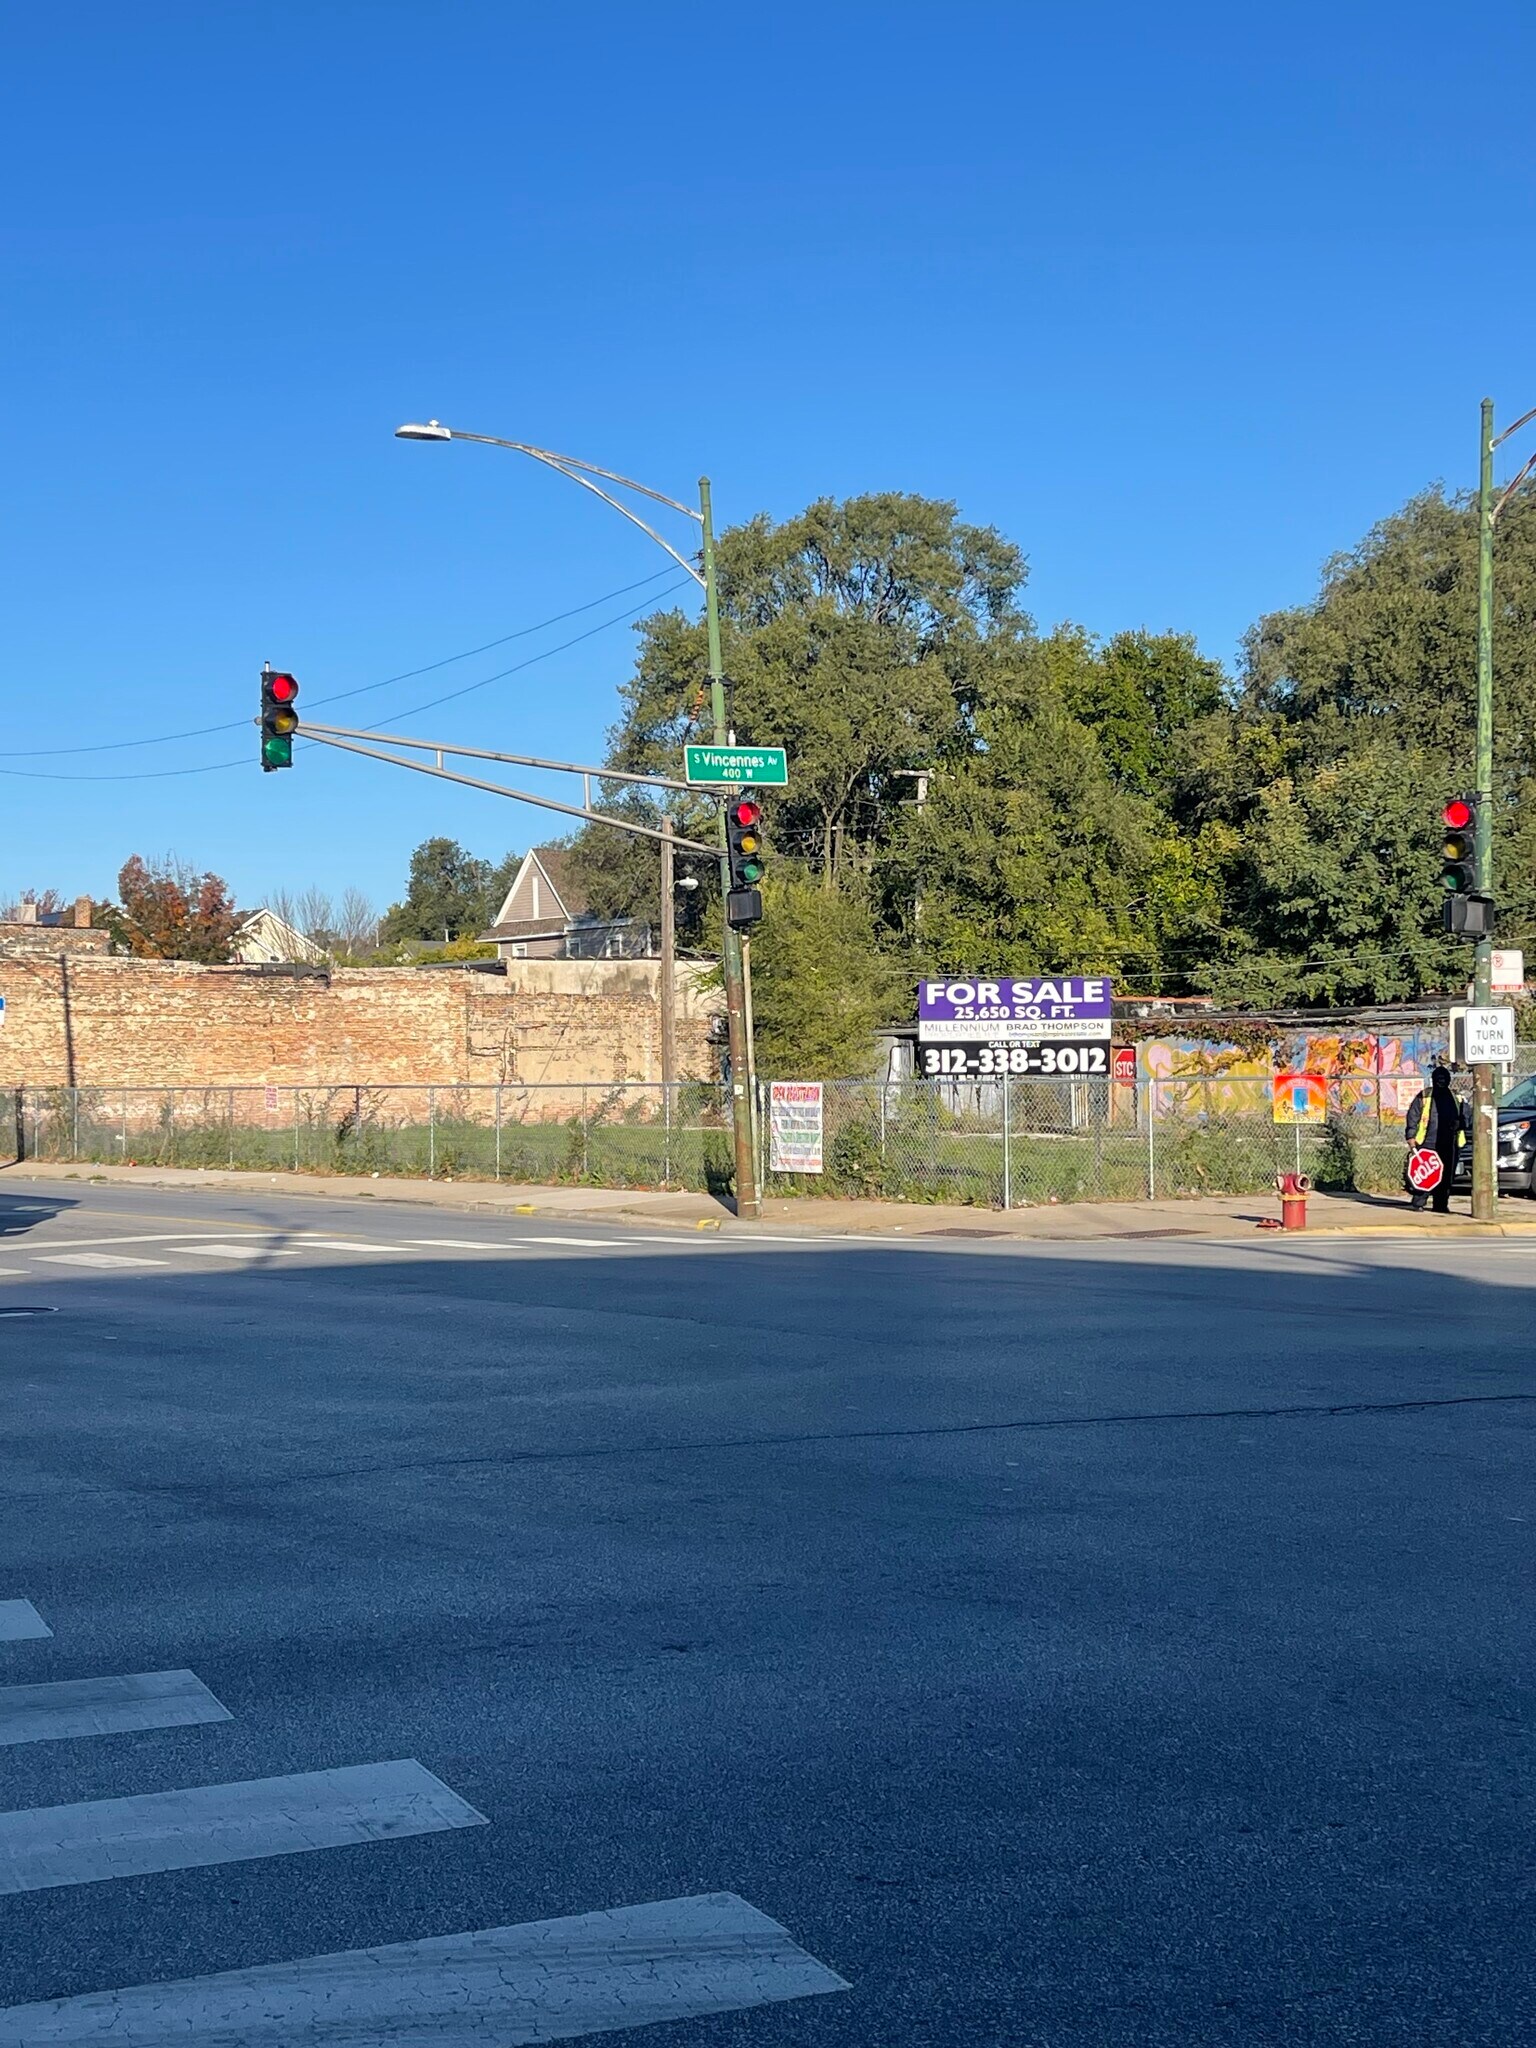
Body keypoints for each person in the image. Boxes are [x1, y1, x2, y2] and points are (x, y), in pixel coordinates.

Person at [1403, 1066, 1470, 1213]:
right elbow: (1413, 1116)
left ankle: (1441, 1205)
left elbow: (1467, 1118)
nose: (1441, 1082)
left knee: (1445, 1177)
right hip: (1427, 1142)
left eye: (1444, 1079)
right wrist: (1411, 1136)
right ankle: (1418, 1202)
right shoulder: (1425, 1096)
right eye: (1438, 1079)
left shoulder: (1457, 1097)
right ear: (1433, 1080)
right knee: (1425, 1174)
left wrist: (1460, 1124)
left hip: (1449, 1143)